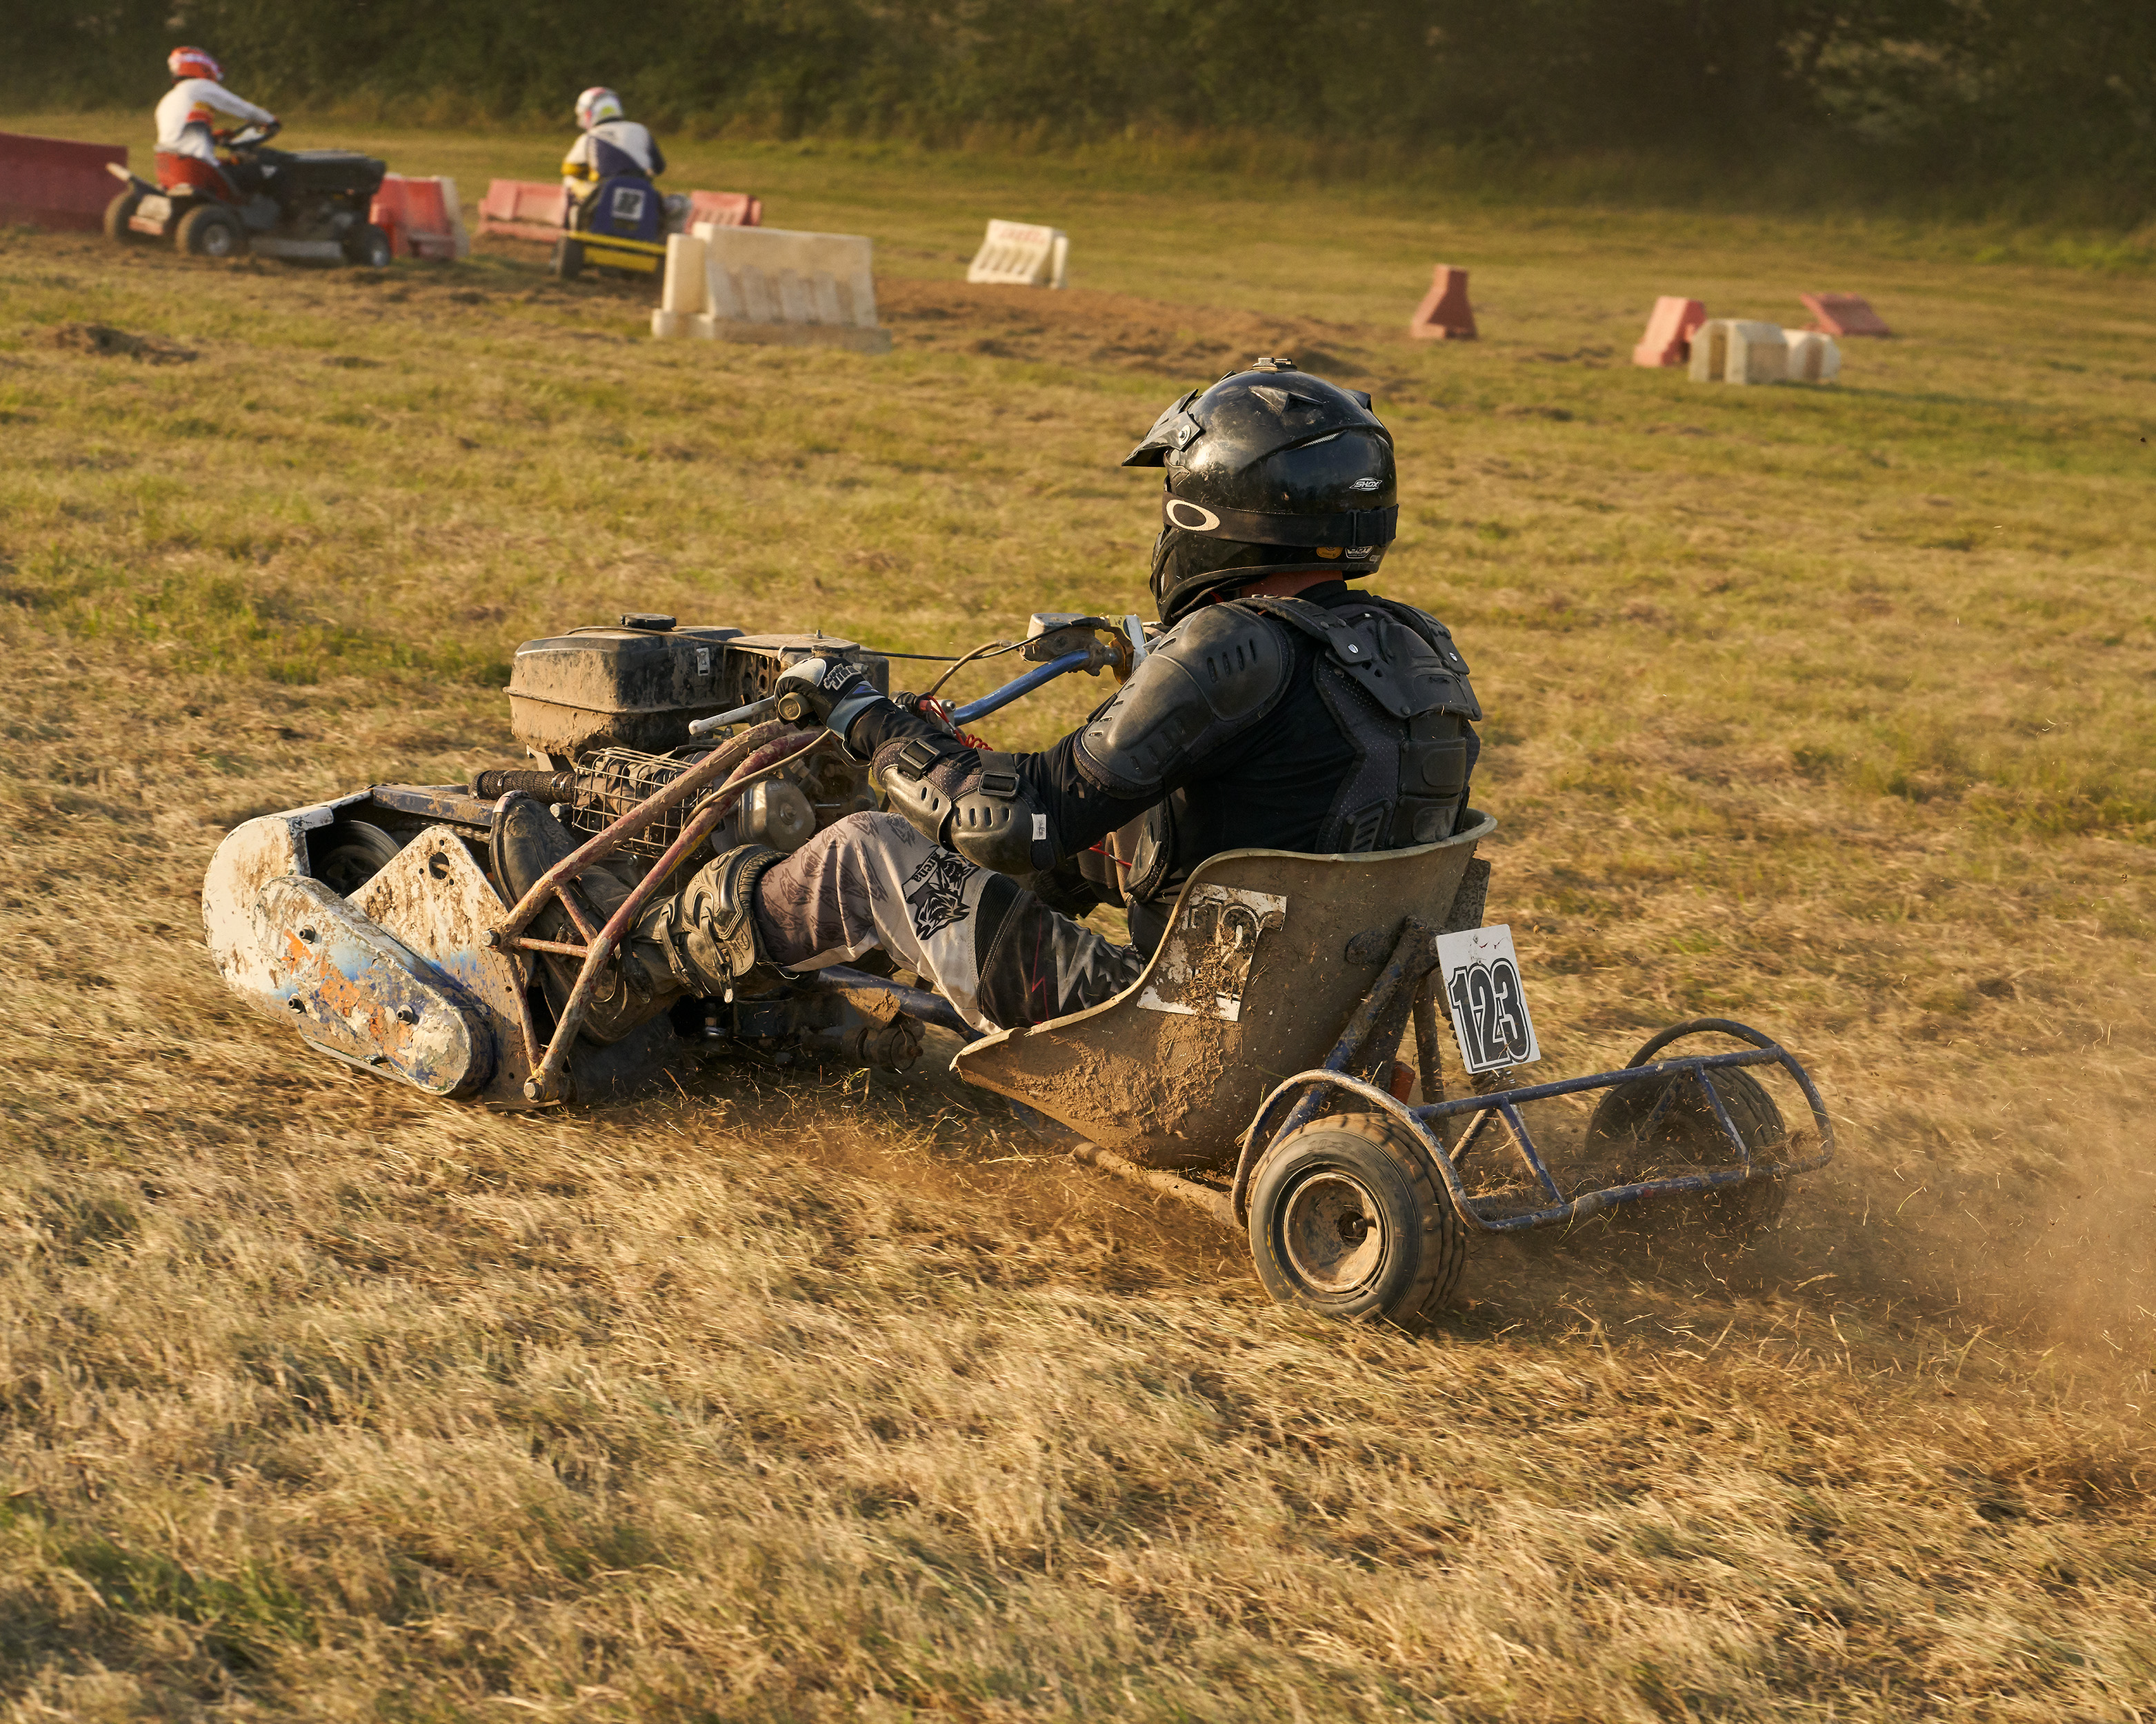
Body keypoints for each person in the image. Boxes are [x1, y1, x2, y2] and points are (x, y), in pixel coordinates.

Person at [492, 359, 1484, 1041]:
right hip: (1329, 1009)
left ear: (1216, 505)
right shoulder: (1415, 644)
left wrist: (868, 721)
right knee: (1106, 840)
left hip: (1188, 1030)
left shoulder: (1230, 646)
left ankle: (627, 973)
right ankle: (836, 993)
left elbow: (1012, 822)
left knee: (866, 851)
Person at [154, 47, 279, 203]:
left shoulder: (167, 99)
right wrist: (269, 120)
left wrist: (211, 138)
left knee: (234, 165)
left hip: (171, 166)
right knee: (271, 169)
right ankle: (286, 216)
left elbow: (177, 136)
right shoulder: (199, 86)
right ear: (203, 66)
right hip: (197, 169)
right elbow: (238, 106)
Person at [560, 87, 665, 220]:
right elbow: (659, 167)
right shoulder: (641, 130)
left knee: (569, 181)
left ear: (588, 113)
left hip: (602, 195)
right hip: (643, 194)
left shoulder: (590, 137)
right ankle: (664, 232)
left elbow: (569, 169)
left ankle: (573, 224)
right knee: (682, 203)